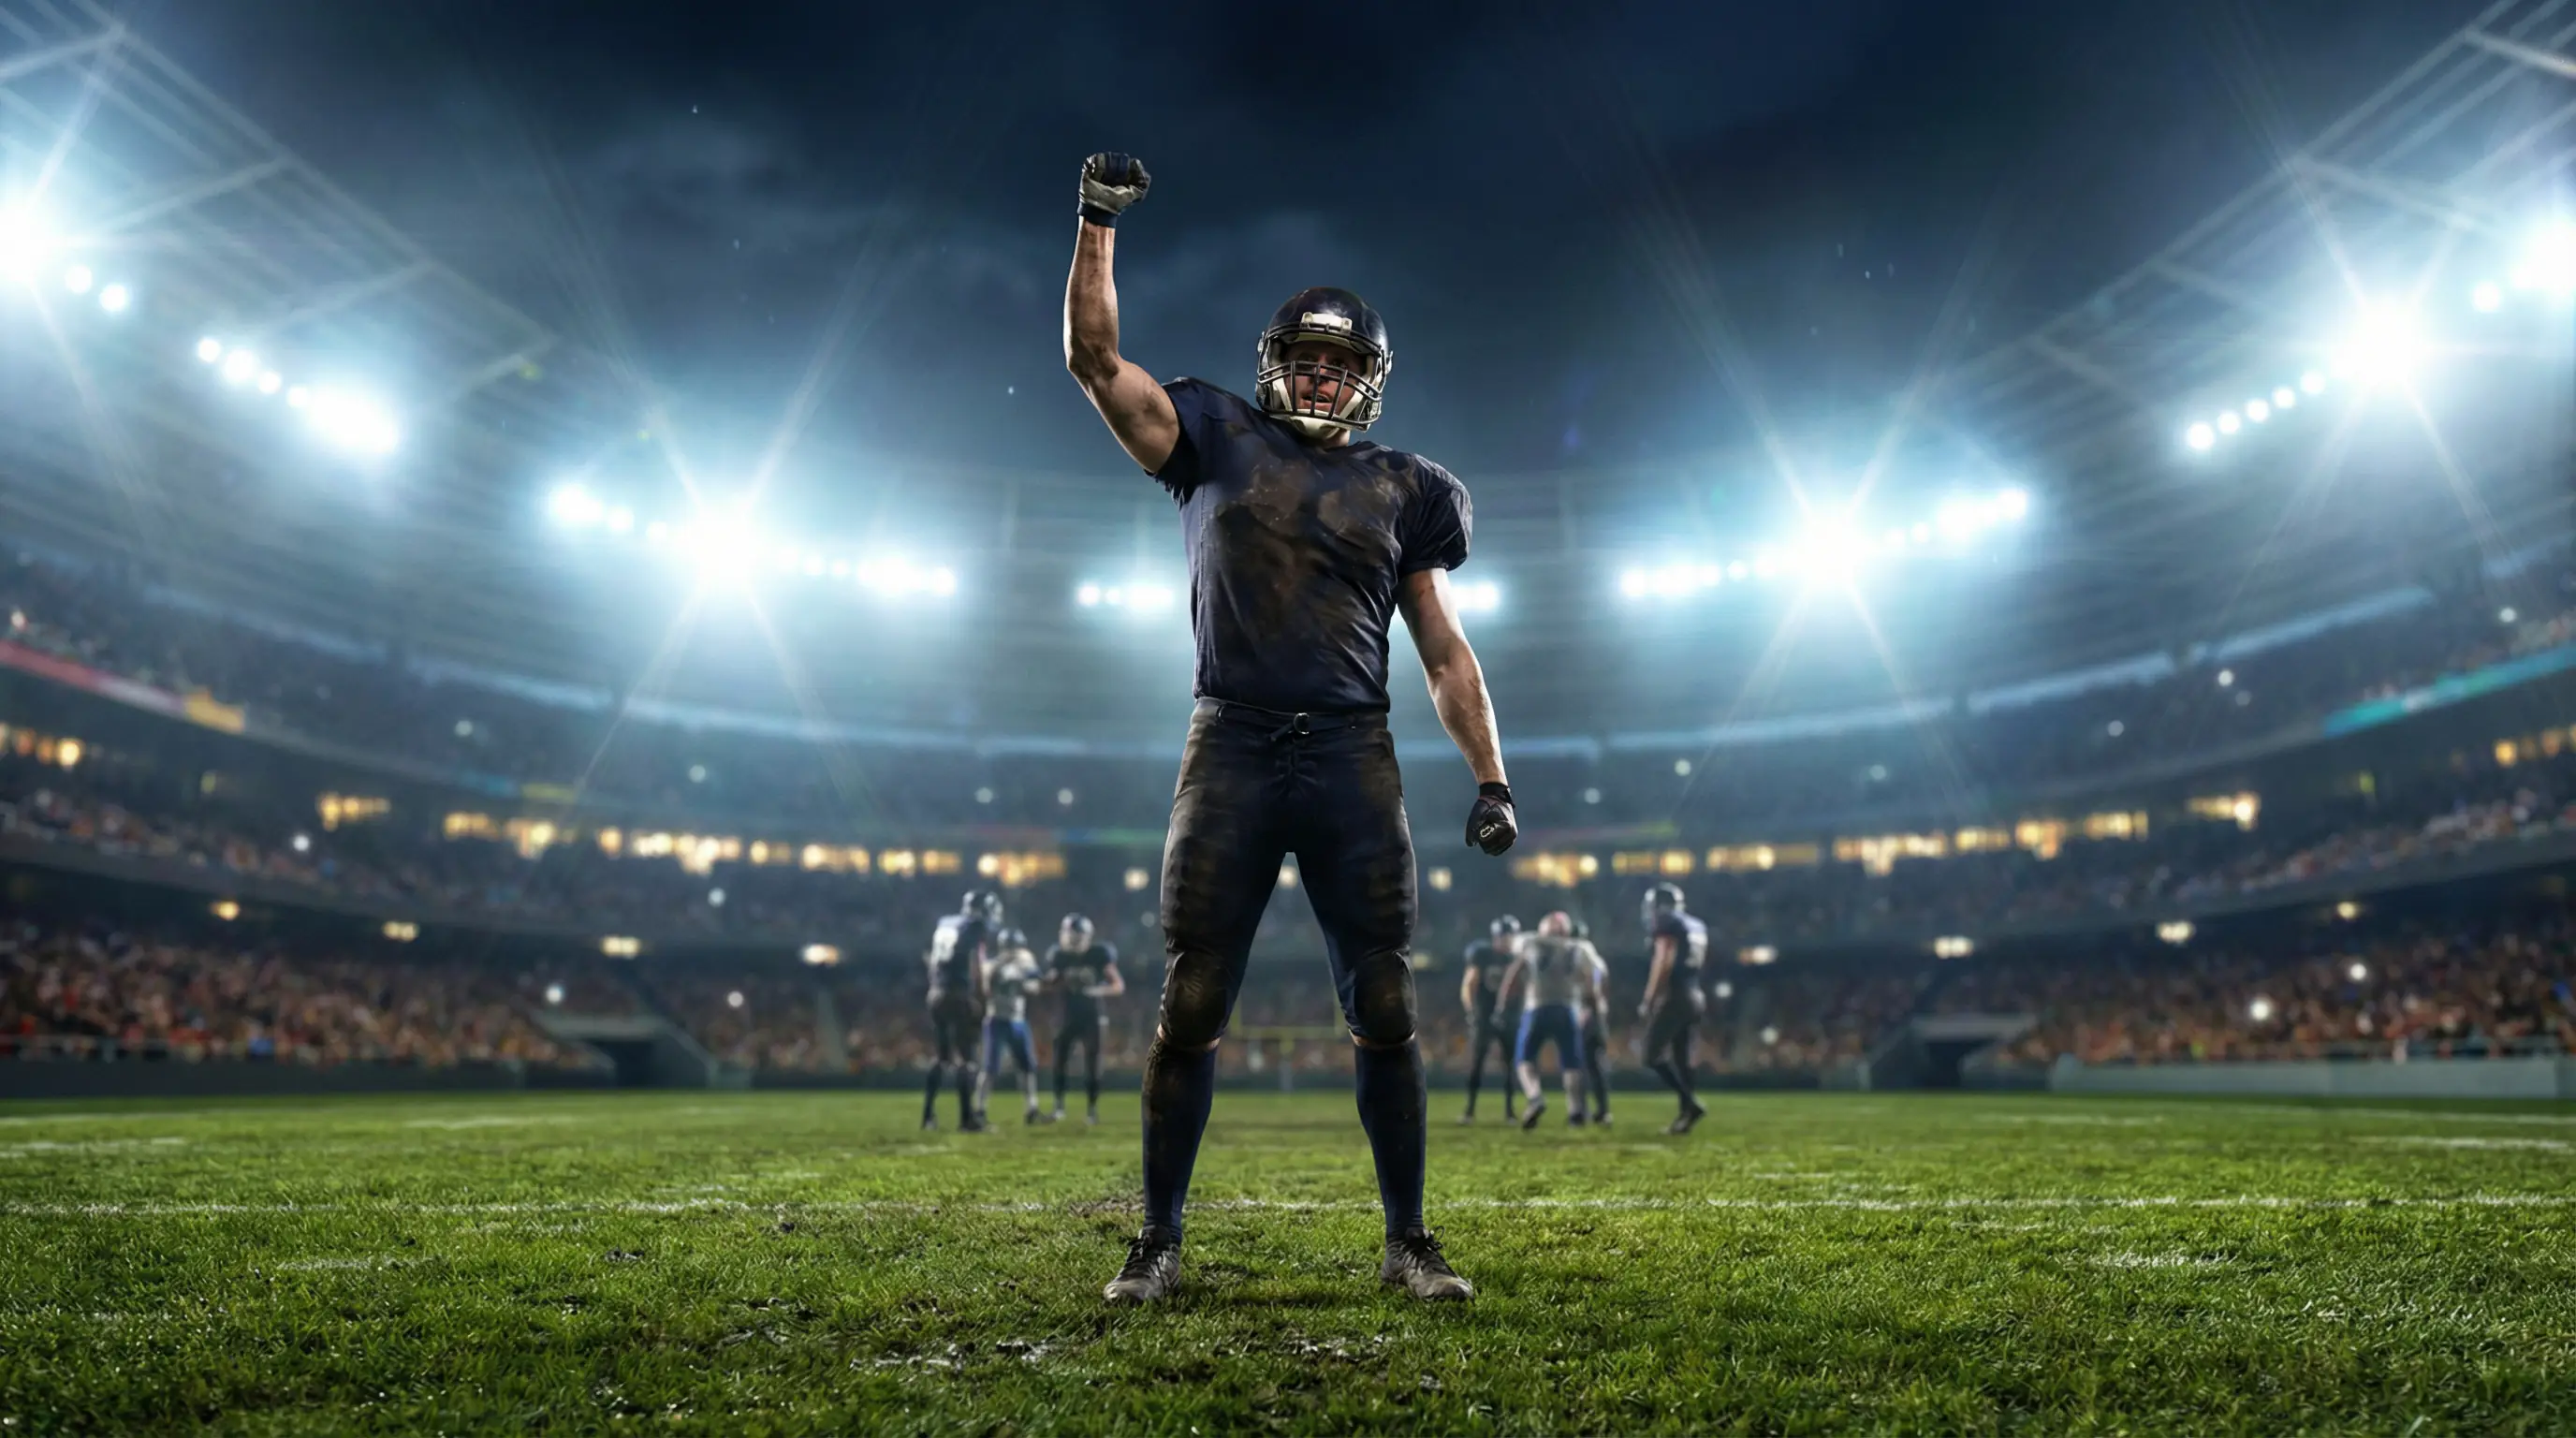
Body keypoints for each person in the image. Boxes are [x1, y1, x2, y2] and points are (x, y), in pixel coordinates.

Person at [1064, 152, 1516, 1303]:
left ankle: (1409, 1241)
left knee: (1386, 1000)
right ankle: (1158, 1240)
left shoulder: (1409, 486)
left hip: (1350, 752)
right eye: (1306, 361)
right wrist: (1097, 224)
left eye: (1339, 364)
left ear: (1367, 379)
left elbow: (1443, 646)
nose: (1320, 380)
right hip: (1231, 742)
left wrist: (1491, 777)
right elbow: (1095, 362)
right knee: (1195, 996)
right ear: (1277, 369)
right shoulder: (1212, 435)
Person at [1495, 912, 1588, 1129]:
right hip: (1567, 1008)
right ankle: (1575, 1110)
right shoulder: (1578, 947)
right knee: (1571, 1063)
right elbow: (1589, 977)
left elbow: (1514, 971)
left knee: (1524, 1059)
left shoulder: (1529, 942)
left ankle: (1535, 1097)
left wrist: (1502, 1004)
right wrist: (1588, 1004)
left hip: (1537, 1006)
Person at [923, 890, 1000, 1132]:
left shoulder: (946, 922)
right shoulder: (975, 926)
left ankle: (927, 1117)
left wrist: (937, 986)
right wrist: (979, 995)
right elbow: (975, 963)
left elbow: (932, 960)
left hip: (936, 993)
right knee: (967, 1059)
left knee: (941, 1058)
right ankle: (967, 1119)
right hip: (958, 993)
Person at [1638, 883, 1709, 1135]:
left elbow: (1664, 959)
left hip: (1676, 995)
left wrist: (1649, 997)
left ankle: (1690, 1103)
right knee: (1682, 1060)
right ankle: (1685, 1117)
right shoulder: (1696, 925)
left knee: (1650, 1055)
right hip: (1695, 994)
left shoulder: (1668, 923)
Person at [1046, 913, 1123, 1123]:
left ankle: (1091, 1110)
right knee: (1059, 1062)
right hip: (1066, 1015)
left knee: (1092, 1064)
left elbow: (1117, 985)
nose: (1073, 939)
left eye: (1077, 934)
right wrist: (1047, 981)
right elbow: (1050, 983)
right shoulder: (1059, 956)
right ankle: (1059, 1107)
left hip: (1092, 1015)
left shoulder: (1099, 954)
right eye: (1071, 934)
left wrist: (1097, 991)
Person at [1457, 915, 1523, 1123]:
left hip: (1509, 1015)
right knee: (1477, 1063)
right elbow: (1469, 984)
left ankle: (1510, 1112)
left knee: (1510, 1064)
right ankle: (1469, 1110)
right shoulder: (1482, 954)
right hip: (1484, 1014)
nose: (1506, 940)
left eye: (1509, 936)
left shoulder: (1517, 957)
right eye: (1503, 936)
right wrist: (1471, 1011)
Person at [980, 927, 1046, 1125]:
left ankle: (1032, 1109)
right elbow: (987, 989)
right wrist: (1004, 974)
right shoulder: (992, 965)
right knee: (990, 1068)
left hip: (1018, 1020)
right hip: (997, 1019)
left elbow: (1036, 987)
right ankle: (979, 1109)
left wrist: (1024, 982)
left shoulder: (1025, 963)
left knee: (1027, 1067)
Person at [1574, 924, 1614, 1126]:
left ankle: (1580, 1111)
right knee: (1596, 1065)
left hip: (1585, 1013)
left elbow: (1588, 990)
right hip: (1600, 1015)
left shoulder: (1579, 955)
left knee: (1577, 1064)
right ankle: (1603, 1111)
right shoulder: (1598, 959)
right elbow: (1604, 989)